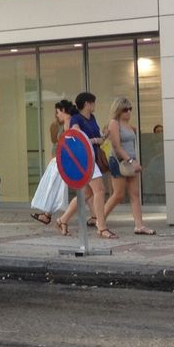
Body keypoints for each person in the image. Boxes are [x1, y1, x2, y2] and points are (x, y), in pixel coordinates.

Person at [54, 92, 116, 239]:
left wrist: (104, 136)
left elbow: (97, 137)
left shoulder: (92, 118)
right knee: (100, 190)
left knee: (86, 193)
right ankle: (101, 227)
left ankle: (62, 220)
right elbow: (77, 137)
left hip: (92, 157)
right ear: (87, 104)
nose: (94, 105)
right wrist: (95, 140)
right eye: (93, 102)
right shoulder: (76, 119)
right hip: (85, 160)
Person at [103, 96, 154, 235]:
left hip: (131, 160)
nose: (128, 112)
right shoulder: (114, 123)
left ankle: (139, 225)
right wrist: (131, 161)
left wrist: (134, 160)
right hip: (119, 161)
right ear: (118, 110)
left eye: (130, 109)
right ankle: (100, 220)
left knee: (135, 194)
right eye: (125, 109)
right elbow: (116, 146)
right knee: (118, 195)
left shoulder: (129, 125)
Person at [31, 99, 75, 226]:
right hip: (62, 159)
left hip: (65, 160)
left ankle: (98, 217)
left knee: (54, 185)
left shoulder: (69, 123)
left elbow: (68, 143)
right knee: (54, 185)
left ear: (63, 111)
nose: (57, 115)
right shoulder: (64, 124)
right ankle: (47, 214)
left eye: (58, 112)